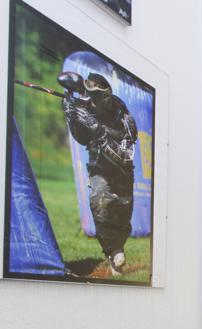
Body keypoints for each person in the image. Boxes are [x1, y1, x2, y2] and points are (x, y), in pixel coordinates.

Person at [61, 73, 138, 275]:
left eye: (95, 96)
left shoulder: (122, 113)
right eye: (89, 95)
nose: (91, 101)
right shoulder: (86, 108)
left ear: (105, 96)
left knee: (122, 213)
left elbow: (125, 156)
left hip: (122, 171)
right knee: (98, 204)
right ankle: (113, 252)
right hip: (99, 168)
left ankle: (117, 250)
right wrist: (72, 118)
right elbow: (82, 138)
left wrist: (98, 130)